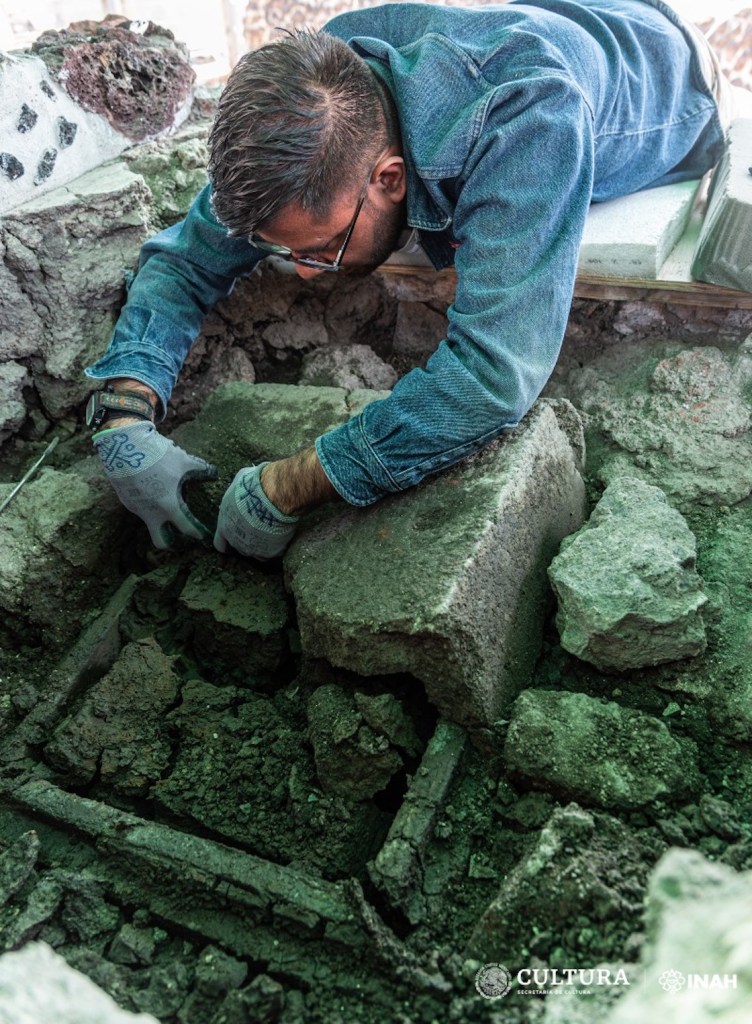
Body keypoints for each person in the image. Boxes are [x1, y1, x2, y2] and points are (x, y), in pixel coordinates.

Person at [84, 0, 728, 558]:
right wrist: (123, 416)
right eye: (290, 253)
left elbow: (494, 376)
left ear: (390, 178)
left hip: (673, 67)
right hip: (556, 16)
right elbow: (186, 257)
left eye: (325, 246)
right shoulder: (323, 97)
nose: (307, 271)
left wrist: (291, 486)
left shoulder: (531, 118)